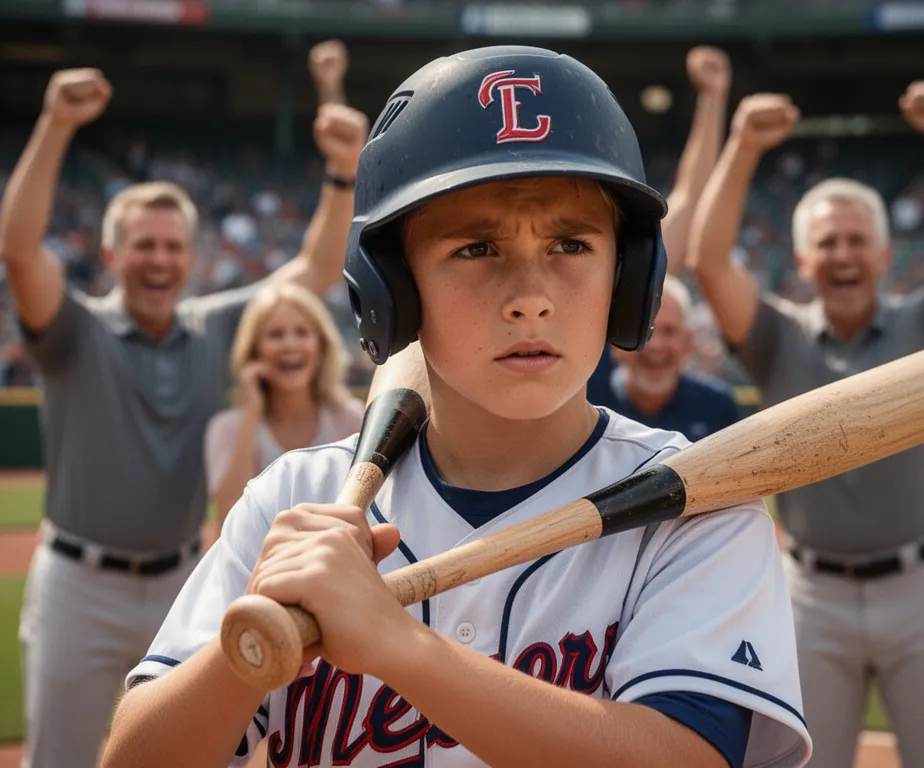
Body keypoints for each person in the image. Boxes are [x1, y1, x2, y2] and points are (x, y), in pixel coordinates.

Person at [105, 46, 811, 768]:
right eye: (477, 248)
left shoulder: (698, 505)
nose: (531, 295)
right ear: (391, 290)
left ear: (629, 281)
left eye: (571, 243)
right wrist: (248, 647)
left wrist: (399, 646)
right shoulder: (300, 503)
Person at [0, 60, 368, 768]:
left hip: (184, 579)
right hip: (80, 584)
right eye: (144, 245)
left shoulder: (214, 326)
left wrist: (342, 175)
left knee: (192, 755)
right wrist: (55, 126)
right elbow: (19, 250)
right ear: (112, 253)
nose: (160, 260)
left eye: (173, 246)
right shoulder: (78, 329)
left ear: (194, 257)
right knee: (63, 759)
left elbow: (315, 271)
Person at [686, 82, 924, 767]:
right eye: (827, 243)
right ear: (803, 262)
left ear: (884, 254)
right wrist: (744, 147)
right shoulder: (778, 337)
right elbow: (708, 261)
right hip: (811, 595)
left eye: (857, 241)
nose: (843, 254)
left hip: (923, 585)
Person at [587, 44, 731, 406]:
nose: (658, 346)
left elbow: (692, 194)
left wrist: (713, 100)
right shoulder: (584, 366)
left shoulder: (714, 405)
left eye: (667, 331)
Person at [204, 282, 365, 531]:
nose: (290, 345)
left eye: (302, 333)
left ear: (321, 346)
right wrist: (251, 413)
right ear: (254, 350)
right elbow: (229, 516)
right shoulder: (226, 429)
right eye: (275, 335)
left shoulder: (353, 420)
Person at [592, 273, 740, 439]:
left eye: (669, 331)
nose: (656, 345)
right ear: (616, 343)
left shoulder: (717, 407)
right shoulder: (585, 403)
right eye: (644, 331)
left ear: (688, 342)